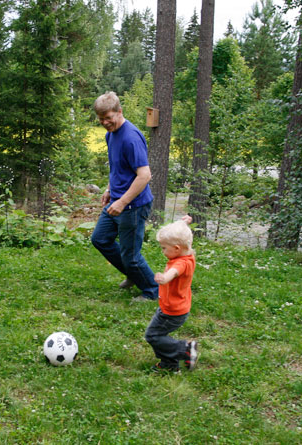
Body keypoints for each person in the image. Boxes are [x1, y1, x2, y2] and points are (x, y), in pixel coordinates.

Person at [90, 91, 159, 302]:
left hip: (133, 206)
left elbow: (144, 175)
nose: (105, 122)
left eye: (108, 118)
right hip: (117, 200)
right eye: (101, 119)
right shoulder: (110, 135)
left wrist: (122, 202)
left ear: (120, 112)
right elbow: (118, 167)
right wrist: (110, 189)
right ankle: (133, 274)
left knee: (131, 255)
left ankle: (152, 291)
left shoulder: (131, 137)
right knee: (100, 239)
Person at [146, 215, 199, 373]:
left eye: (164, 248)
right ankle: (170, 364)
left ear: (176, 248)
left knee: (153, 336)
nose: (162, 251)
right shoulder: (186, 255)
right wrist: (183, 223)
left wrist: (164, 278)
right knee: (158, 334)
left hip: (173, 311)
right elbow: (181, 235)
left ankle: (185, 350)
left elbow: (174, 272)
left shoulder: (181, 264)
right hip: (175, 307)